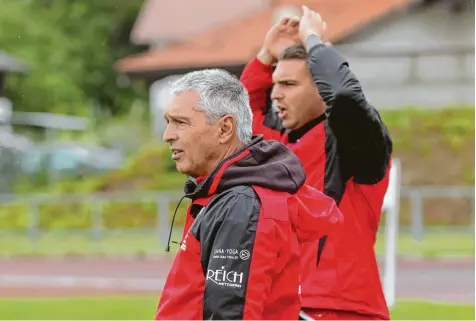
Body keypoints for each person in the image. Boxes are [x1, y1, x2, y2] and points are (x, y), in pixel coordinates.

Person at [240, 6, 393, 320]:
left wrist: (314, 42)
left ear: (320, 90)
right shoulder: (276, 144)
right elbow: (240, 116)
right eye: (275, 84)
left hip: (342, 310)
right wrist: (265, 56)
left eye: (289, 85)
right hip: (281, 307)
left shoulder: (354, 144)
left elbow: (344, 94)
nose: (276, 95)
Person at [155, 68, 343, 320]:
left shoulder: (242, 205)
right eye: (168, 122)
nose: (168, 135)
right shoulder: (230, 195)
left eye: (181, 122)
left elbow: (232, 314)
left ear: (224, 129)